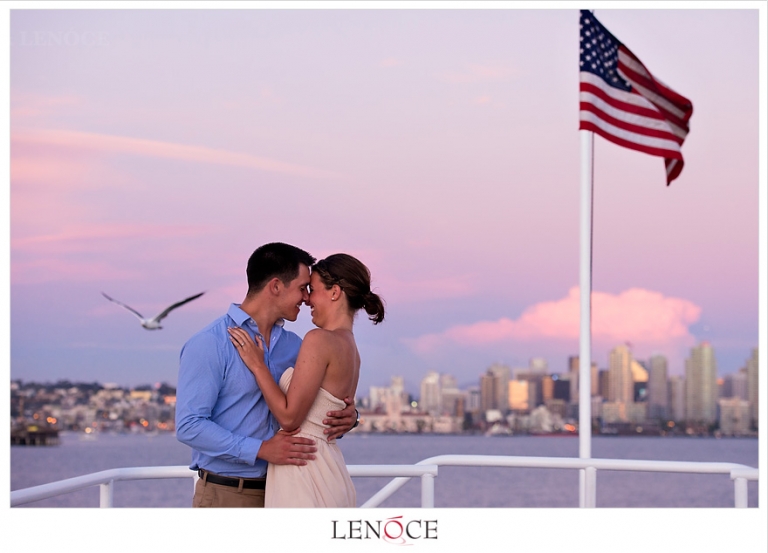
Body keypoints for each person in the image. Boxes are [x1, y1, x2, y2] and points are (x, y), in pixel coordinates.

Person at [175, 243, 358, 508]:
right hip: (228, 495)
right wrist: (260, 450)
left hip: (291, 491)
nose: (306, 298)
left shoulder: (297, 346)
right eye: (302, 287)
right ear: (275, 286)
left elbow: (312, 414)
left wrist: (350, 418)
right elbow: (189, 425)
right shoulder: (210, 343)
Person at [227, 253, 384, 507]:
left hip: (303, 468)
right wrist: (353, 418)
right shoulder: (352, 349)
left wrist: (257, 365)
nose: (307, 298)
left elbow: (289, 419)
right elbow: (328, 414)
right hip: (329, 467)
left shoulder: (319, 340)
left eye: (313, 289)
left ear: (335, 292)